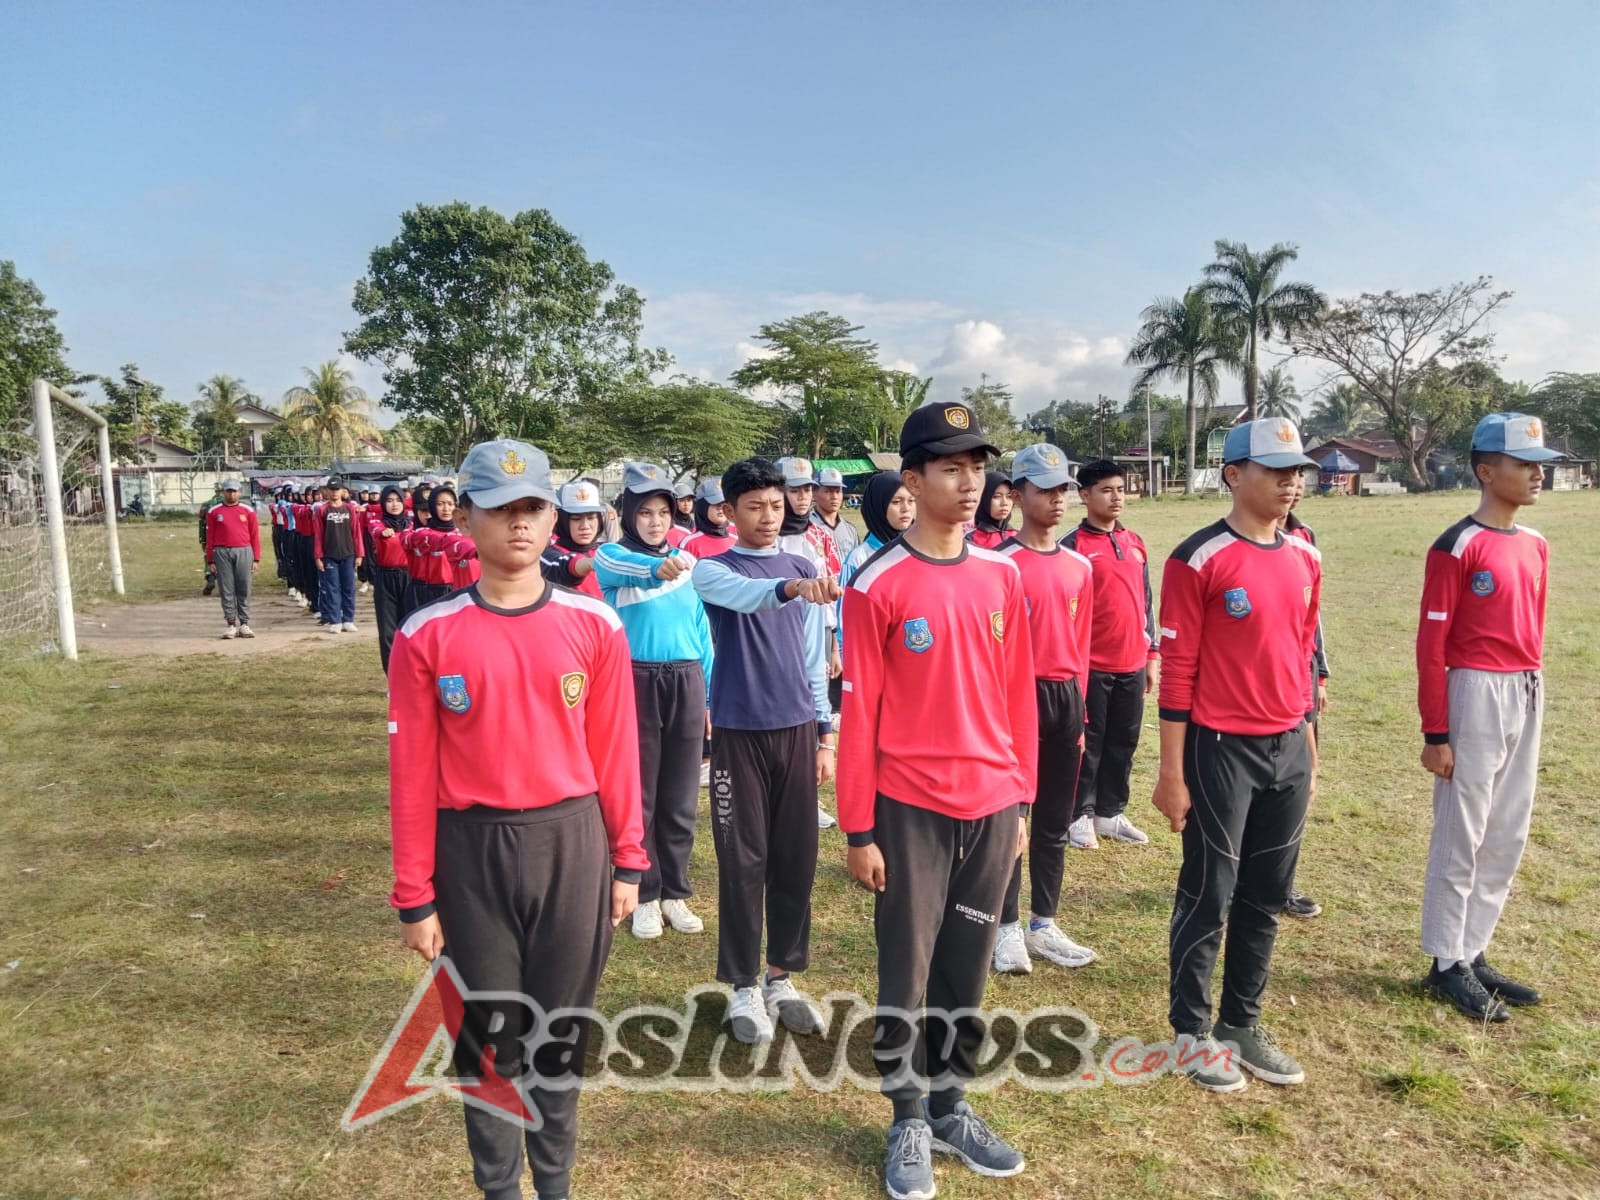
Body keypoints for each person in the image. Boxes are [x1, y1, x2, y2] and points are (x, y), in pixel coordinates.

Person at [388, 438, 646, 1200]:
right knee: (489, 1044)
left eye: (533, 507)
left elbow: (616, 753)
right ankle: (501, 1187)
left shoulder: (593, 625)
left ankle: (556, 1185)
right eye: (499, 510)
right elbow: (412, 774)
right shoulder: (425, 635)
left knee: (559, 1037)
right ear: (466, 517)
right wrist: (416, 893)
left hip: (572, 844)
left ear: (554, 516)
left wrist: (628, 860)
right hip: (471, 855)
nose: (519, 524)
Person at [840, 401, 1036, 1199]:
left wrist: (1021, 801)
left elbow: (1018, 695)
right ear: (911, 480)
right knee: (908, 969)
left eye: (978, 467)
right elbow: (860, 713)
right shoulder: (877, 582)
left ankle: (951, 1103)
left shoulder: (1003, 573)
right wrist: (859, 829)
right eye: (950, 468)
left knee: (966, 962)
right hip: (909, 811)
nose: (969, 483)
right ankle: (908, 1116)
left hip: (990, 806)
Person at [1154, 418, 1321, 1094]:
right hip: (1220, 749)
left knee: (1266, 896)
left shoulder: (1306, 555)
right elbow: (1178, 669)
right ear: (1232, 474)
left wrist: (1306, 736)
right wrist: (1172, 772)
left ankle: (1241, 1023)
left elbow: (1304, 651)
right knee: (1209, 893)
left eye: (1297, 470)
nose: (1291, 481)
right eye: (1276, 469)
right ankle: (1191, 1032)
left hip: (1289, 748)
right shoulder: (1199, 558)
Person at [692, 457, 837, 1046]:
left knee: (795, 858)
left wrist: (824, 731)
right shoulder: (712, 570)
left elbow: (810, 655)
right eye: (755, 506)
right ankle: (743, 984)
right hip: (738, 731)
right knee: (742, 860)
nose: (769, 516)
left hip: (797, 727)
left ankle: (782, 976)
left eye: (776, 505)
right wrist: (794, 586)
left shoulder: (802, 561)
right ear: (729, 512)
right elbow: (751, 598)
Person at [1417, 413, 1557, 1022]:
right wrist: (1436, 731)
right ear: (1486, 470)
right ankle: (1446, 961)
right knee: (1463, 829)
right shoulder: (1457, 544)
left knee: (1507, 829)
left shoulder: (1536, 544)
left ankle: (1474, 948)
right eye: (1523, 462)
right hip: (1473, 688)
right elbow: (1431, 645)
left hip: (1525, 686)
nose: (1536, 473)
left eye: (1539, 463)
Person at [593, 462, 716, 941]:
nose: (656, 521)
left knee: (681, 794)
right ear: (629, 516)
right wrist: (657, 566)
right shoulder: (612, 557)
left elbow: (702, 632)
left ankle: (675, 893)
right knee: (640, 793)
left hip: (687, 681)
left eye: (663, 512)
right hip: (636, 680)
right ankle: (643, 892)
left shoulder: (688, 566)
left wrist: (708, 693)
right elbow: (634, 571)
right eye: (645, 512)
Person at [992, 445, 1099, 976]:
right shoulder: (1000, 565)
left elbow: (1080, 646)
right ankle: (1005, 925)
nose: (1058, 500)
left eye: (1064, 490)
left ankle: (1043, 921)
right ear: (1017, 495)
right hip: (1016, 700)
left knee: (1056, 816)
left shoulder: (1080, 566)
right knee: (1013, 818)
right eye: (1045, 489)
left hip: (1065, 700)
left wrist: (1078, 712)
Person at [1061, 460, 1157, 850]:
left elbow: (1146, 602)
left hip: (1132, 661)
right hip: (1092, 665)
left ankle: (1109, 812)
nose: (1116, 497)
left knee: (1125, 739)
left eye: (1120, 489)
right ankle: (1078, 814)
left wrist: (1151, 654)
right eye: (1106, 490)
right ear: (1084, 496)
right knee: (1090, 741)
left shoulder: (1134, 542)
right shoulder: (1073, 546)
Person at [775, 456, 843, 830]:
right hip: (776, 644)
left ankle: (807, 797)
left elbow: (831, 595)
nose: (802, 498)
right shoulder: (765, 537)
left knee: (812, 713)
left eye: (807, 490)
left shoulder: (820, 536)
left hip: (815, 638)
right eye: (793, 489)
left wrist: (834, 644)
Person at [1279, 478, 1330, 919]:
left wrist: (1322, 673)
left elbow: (1314, 618)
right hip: (1256, 690)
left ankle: (1283, 881)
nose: (1291, 486)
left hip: (1302, 674)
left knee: (1301, 779)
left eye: (1297, 477)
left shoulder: (1305, 538)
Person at [204, 479, 260, 639]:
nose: (232, 494)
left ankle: (244, 623)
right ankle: (230, 624)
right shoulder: (214, 512)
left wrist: (256, 559)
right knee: (226, 589)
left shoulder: (248, 511)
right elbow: (210, 537)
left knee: (244, 586)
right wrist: (211, 560)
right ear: (223, 492)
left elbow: (255, 536)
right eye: (228, 491)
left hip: (244, 550)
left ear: (240, 492)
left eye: (235, 491)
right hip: (222, 552)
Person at [366, 486, 414, 672]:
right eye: (389, 500)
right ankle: (392, 677)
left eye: (398, 500)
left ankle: (411, 674)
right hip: (385, 579)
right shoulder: (377, 523)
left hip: (409, 577)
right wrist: (383, 533)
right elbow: (376, 531)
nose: (394, 504)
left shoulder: (412, 524)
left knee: (409, 628)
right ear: (383, 504)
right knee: (387, 632)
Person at [540, 480, 607, 599]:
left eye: (591, 518)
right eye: (576, 519)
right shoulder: (547, 556)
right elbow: (565, 566)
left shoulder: (605, 551)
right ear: (562, 521)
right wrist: (593, 563)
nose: (585, 526)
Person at [313, 476, 365, 633]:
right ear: (327, 491)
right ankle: (335, 620)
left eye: (337, 490)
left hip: (348, 554)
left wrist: (359, 554)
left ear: (343, 491)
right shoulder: (322, 510)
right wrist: (318, 556)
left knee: (348, 588)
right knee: (332, 589)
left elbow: (356, 532)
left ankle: (348, 619)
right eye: (332, 490)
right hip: (330, 556)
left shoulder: (349, 509)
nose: (335, 493)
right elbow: (318, 535)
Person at [402, 486, 460, 611]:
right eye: (440, 504)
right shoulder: (422, 533)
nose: (446, 509)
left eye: (450, 504)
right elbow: (415, 539)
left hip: (456, 591)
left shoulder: (462, 532)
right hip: (427, 592)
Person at [812, 465, 860, 563]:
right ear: (814, 494)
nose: (834, 496)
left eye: (838, 491)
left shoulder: (850, 530)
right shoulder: (807, 528)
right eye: (827, 491)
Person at [680, 477, 736, 559]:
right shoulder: (689, 544)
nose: (721, 508)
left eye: (724, 504)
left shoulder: (736, 541)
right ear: (703, 507)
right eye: (716, 503)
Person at [965, 471, 1014, 549]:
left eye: (1009, 496)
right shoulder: (970, 540)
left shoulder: (1017, 536)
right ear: (983, 498)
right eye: (996, 496)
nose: (1004, 503)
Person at [198, 482, 225, 595]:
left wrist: (202, 539)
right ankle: (225, 586)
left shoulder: (206, 505)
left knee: (209, 558)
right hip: (226, 537)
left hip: (210, 535)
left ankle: (210, 579)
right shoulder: (228, 504)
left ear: (215, 491)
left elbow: (201, 522)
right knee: (226, 561)